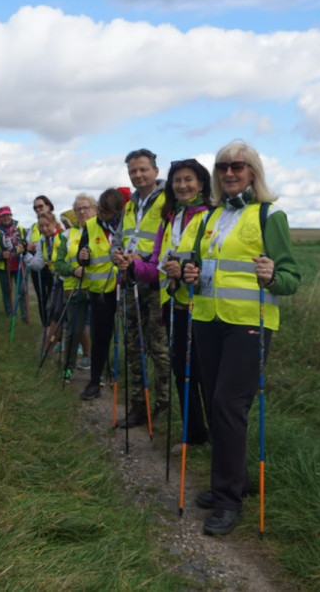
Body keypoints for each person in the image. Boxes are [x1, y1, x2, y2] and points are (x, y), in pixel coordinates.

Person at [182, 140, 300, 537]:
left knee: (228, 406)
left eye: (238, 166)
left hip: (250, 324)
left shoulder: (270, 216)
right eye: (222, 167)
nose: (229, 173)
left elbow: (290, 279)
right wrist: (188, 273)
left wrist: (272, 276)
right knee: (216, 407)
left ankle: (228, 499)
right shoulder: (209, 218)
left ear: (253, 172)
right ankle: (236, 481)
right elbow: (197, 264)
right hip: (207, 319)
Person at [123, 159, 213, 447]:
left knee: (206, 376)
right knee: (183, 374)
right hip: (174, 305)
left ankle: (217, 437)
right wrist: (133, 266)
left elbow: (212, 261)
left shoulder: (211, 215)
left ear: (201, 183)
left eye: (189, 180)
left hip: (206, 308)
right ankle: (194, 434)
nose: (183, 185)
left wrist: (185, 269)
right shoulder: (170, 218)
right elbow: (157, 267)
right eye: (178, 181)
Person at [112, 148, 170, 428]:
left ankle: (164, 405)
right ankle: (138, 405)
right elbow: (119, 239)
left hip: (156, 284)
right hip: (130, 282)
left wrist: (144, 259)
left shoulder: (169, 201)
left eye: (143, 169)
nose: (138, 175)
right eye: (133, 171)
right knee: (133, 346)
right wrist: (117, 254)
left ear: (156, 171)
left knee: (159, 347)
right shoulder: (130, 205)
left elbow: (172, 242)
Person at [75, 188, 125, 401]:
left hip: (124, 287)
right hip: (100, 292)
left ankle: (127, 382)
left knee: (129, 339)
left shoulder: (126, 224)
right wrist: (82, 256)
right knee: (100, 337)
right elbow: (82, 255)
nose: (104, 216)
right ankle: (95, 381)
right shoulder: (90, 226)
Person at [53, 193, 96, 383]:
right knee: (74, 331)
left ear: (94, 209)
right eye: (78, 209)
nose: (82, 212)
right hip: (74, 289)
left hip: (98, 288)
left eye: (86, 208)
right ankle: (68, 369)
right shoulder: (66, 235)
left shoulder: (103, 232)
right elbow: (59, 264)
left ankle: (100, 372)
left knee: (100, 332)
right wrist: (73, 270)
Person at [24, 211, 63, 352]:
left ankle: (76, 348)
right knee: (54, 311)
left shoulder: (63, 236)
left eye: (47, 225)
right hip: (58, 279)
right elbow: (38, 264)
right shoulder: (42, 242)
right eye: (41, 226)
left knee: (63, 313)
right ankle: (54, 344)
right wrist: (25, 254)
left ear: (54, 223)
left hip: (70, 280)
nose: (44, 229)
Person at [0, 206, 28, 321]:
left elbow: (26, 244)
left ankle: (24, 315)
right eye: (3, 216)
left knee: (22, 290)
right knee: (7, 291)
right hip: (4, 267)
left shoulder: (20, 229)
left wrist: (23, 247)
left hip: (19, 264)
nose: (6, 218)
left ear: (11, 215)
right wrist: (1, 254)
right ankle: (10, 314)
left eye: (8, 215)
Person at [27, 196, 57, 329]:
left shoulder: (60, 226)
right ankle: (47, 325)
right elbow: (28, 243)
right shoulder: (33, 227)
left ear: (49, 206)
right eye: (35, 207)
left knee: (55, 299)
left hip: (55, 269)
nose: (38, 209)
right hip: (39, 261)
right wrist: (29, 248)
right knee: (42, 297)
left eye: (41, 206)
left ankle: (57, 328)